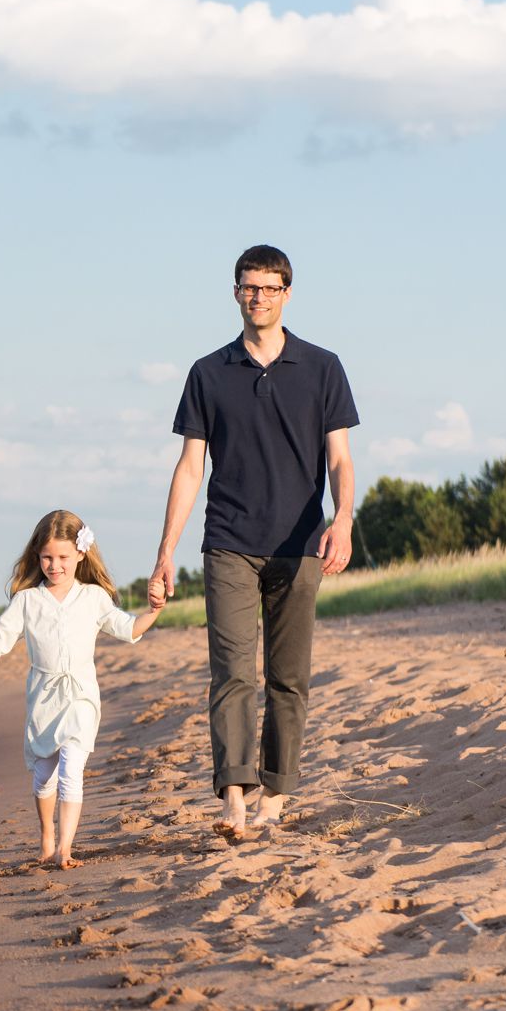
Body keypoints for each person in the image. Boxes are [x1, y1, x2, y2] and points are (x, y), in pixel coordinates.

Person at [149, 244, 358, 839]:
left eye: (269, 288)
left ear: (287, 293)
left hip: (301, 546)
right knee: (233, 673)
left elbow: (340, 457)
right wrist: (167, 550)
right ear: (236, 292)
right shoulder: (208, 373)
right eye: (249, 287)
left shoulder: (323, 367)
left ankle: (276, 796)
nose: (258, 297)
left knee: (289, 678)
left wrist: (342, 518)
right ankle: (235, 799)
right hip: (228, 543)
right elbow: (191, 467)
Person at [0, 510, 162, 868]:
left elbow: (128, 628)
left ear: (81, 554)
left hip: (80, 694)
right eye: (47, 557)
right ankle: (47, 835)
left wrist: (155, 610)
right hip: (43, 697)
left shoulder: (93, 597)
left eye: (63, 557)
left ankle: (65, 848)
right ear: (37, 556)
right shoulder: (27, 601)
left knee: (72, 766)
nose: (55, 565)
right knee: (44, 774)